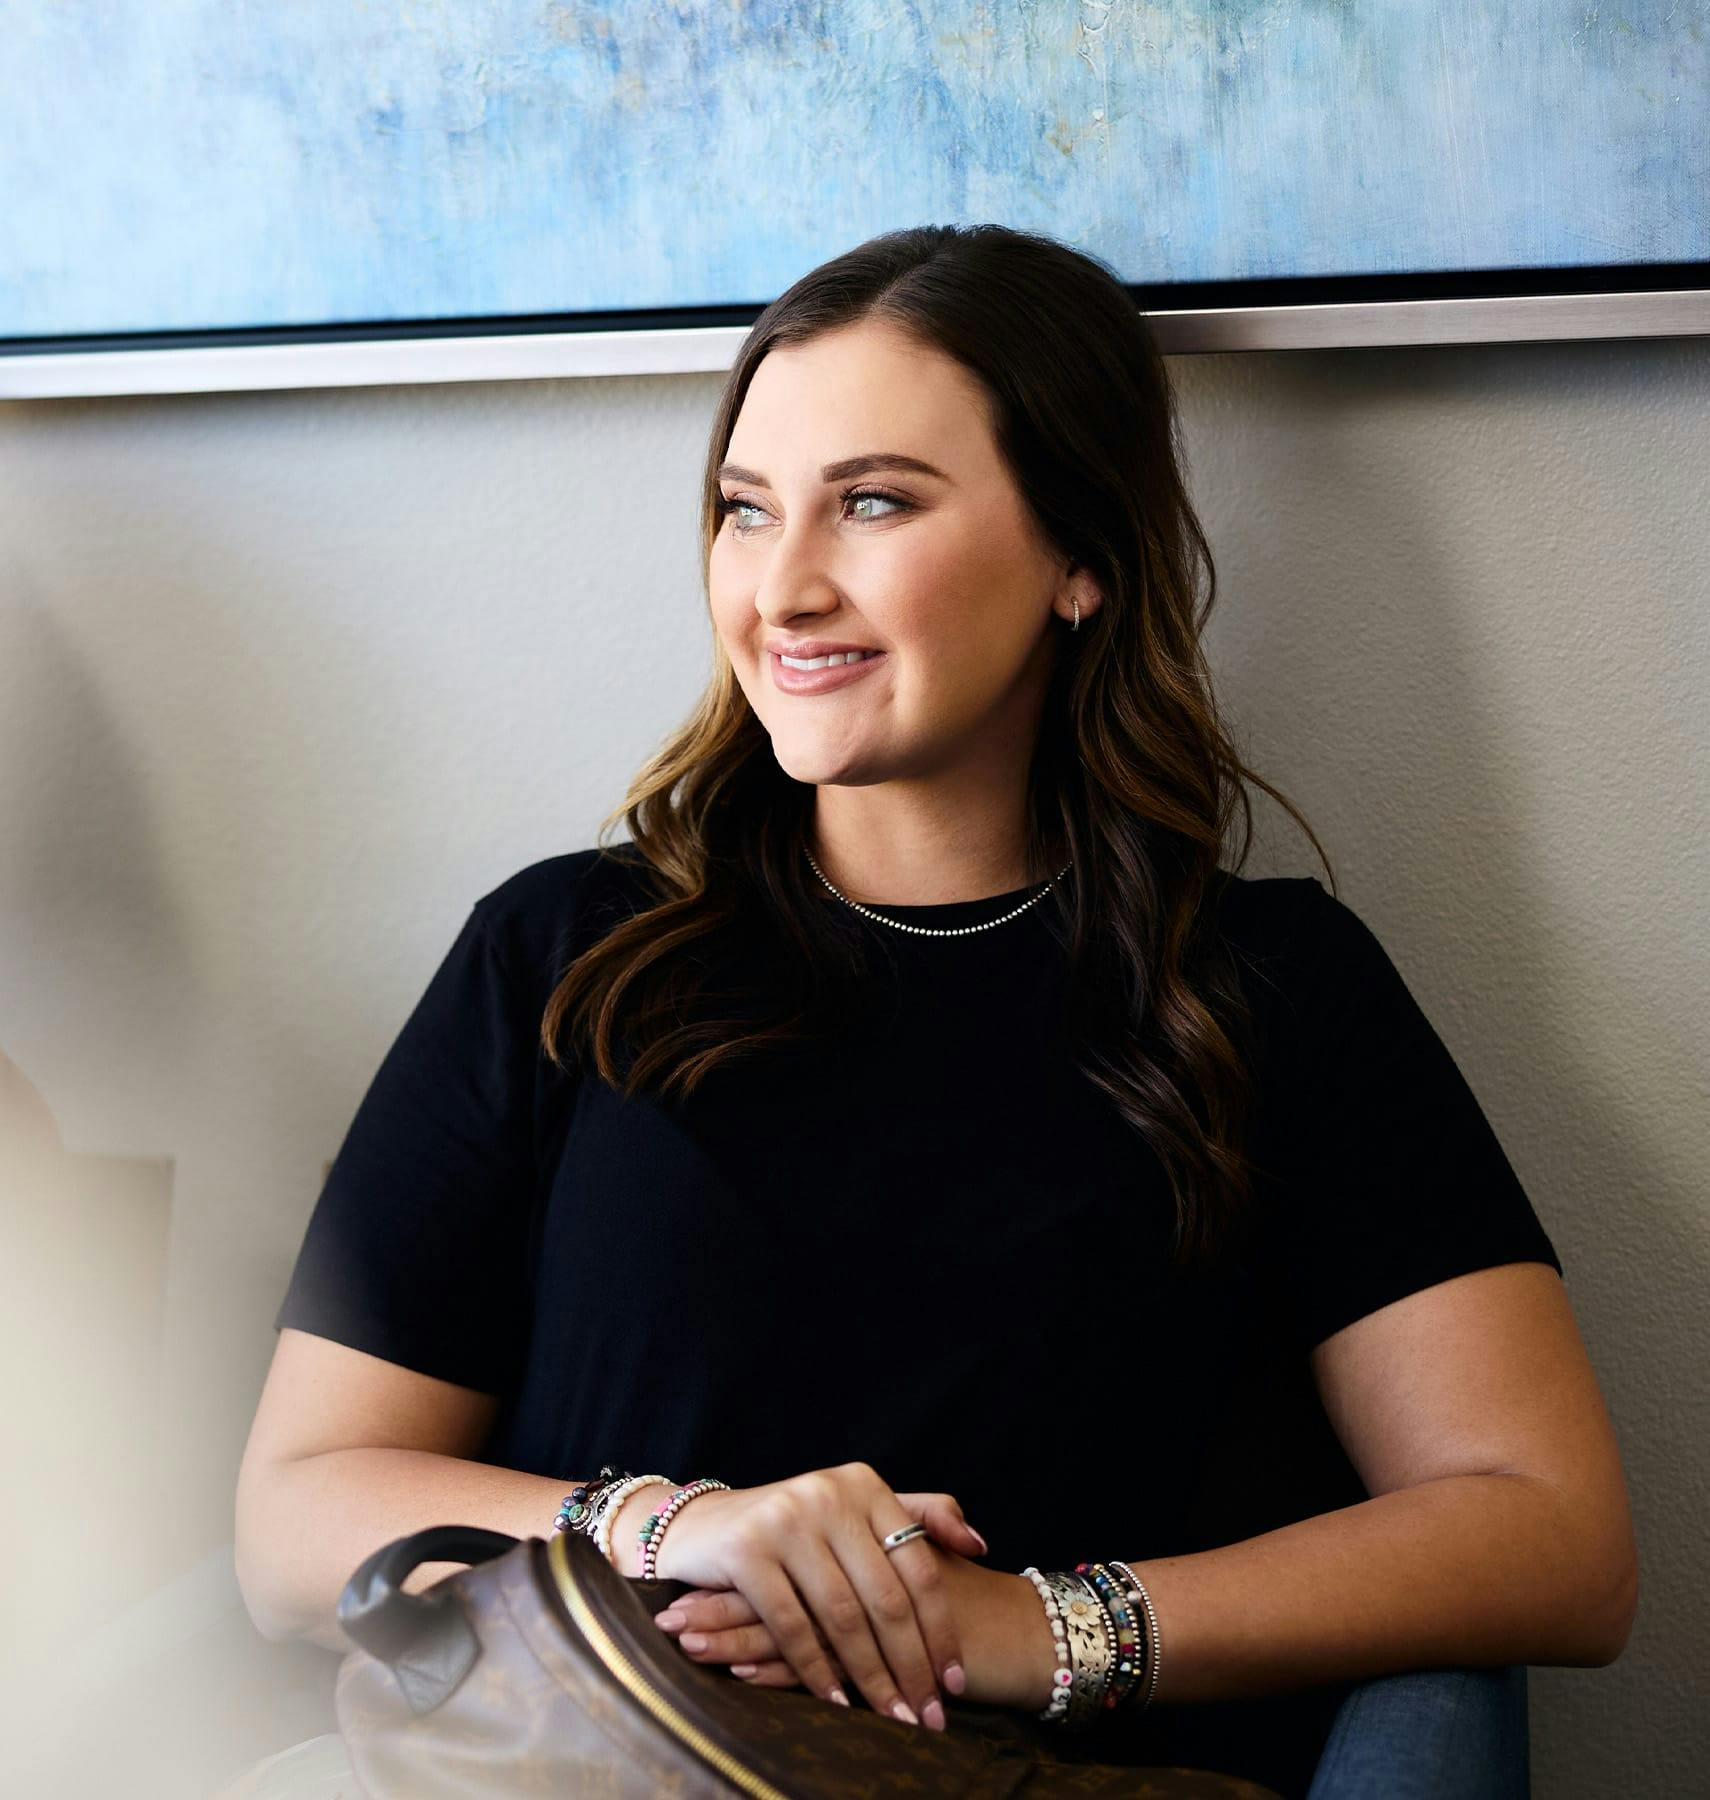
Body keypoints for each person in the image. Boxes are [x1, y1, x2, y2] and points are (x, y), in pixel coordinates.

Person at [234, 223, 1637, 1799]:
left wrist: (1012, 1627)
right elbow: (296, 1519)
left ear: (1079, 559)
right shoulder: (565, 951)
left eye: (875, 502)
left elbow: (1549, 1531)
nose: (783, 587)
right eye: (744, 511)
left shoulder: (1266, 986)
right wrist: (682, 1526)